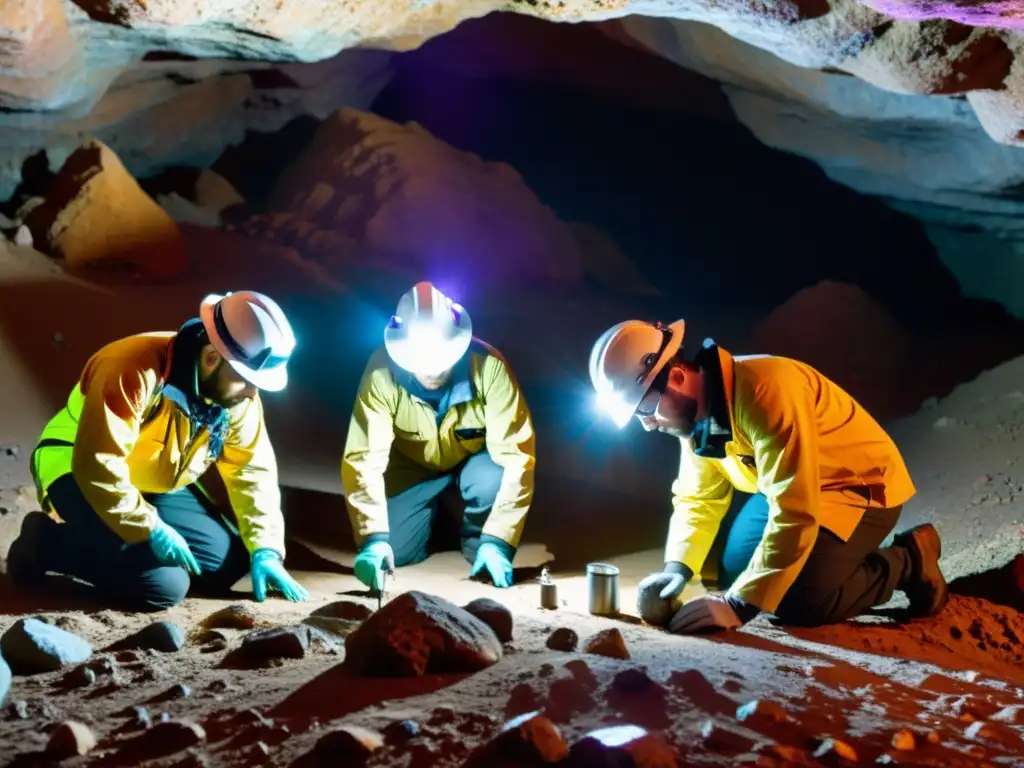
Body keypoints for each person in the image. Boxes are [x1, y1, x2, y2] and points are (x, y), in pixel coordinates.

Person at [588, 318, 947, 633]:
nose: (648, 425)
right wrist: (678, 568)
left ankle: (909, 559)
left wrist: (740, 607)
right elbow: (698, 497)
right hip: (790, 486)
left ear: (677, 377)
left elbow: (796, 510)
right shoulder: (697, 418)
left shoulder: (764, 391)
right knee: (739, 578)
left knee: (797, 602)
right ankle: (797, 576)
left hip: (857, 486)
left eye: (645, 409)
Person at [7, 291, 309, 611]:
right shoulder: (132, 367)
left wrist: (266, 549)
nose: (252, 393)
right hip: (77, 467)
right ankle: (46, 543)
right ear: (212, 358)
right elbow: (99, 463)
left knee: (225, 564)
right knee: (163, 585)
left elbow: (250, 468)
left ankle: (115, 541)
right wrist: (149, 526)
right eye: (247, 380)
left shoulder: (236, 393)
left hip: (152, 479)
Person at [342, 281, 535, 591]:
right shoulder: (381, 373)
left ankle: (478, 538)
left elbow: (516, 457)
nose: (431, 372)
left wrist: (498, 541)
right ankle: (439, 516)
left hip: (475, 461)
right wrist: (372, 538)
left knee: (491, 487)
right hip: (413, 465)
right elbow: (363, 459)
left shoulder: (490, 367)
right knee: (397, 551)